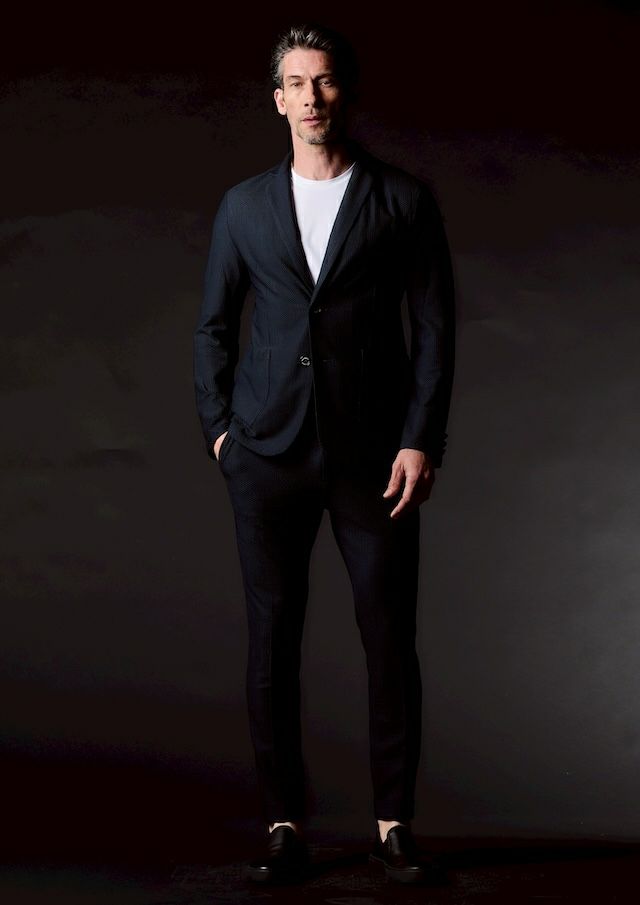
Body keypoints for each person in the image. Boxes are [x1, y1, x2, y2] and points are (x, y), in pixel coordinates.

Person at [193, 21, 455, 885]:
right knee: (271, 638)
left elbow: (435, 328)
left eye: (326, 80)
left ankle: (393, 823)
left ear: (346, 92)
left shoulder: (402, 199)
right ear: (278, 100)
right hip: (265, 453)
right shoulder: (243, 206)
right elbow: (213, 327)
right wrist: (221, 431)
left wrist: (419, 437)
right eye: (297, 84)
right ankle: (284, 822)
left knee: (389, 635)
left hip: (372, 454)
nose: (313, 97)